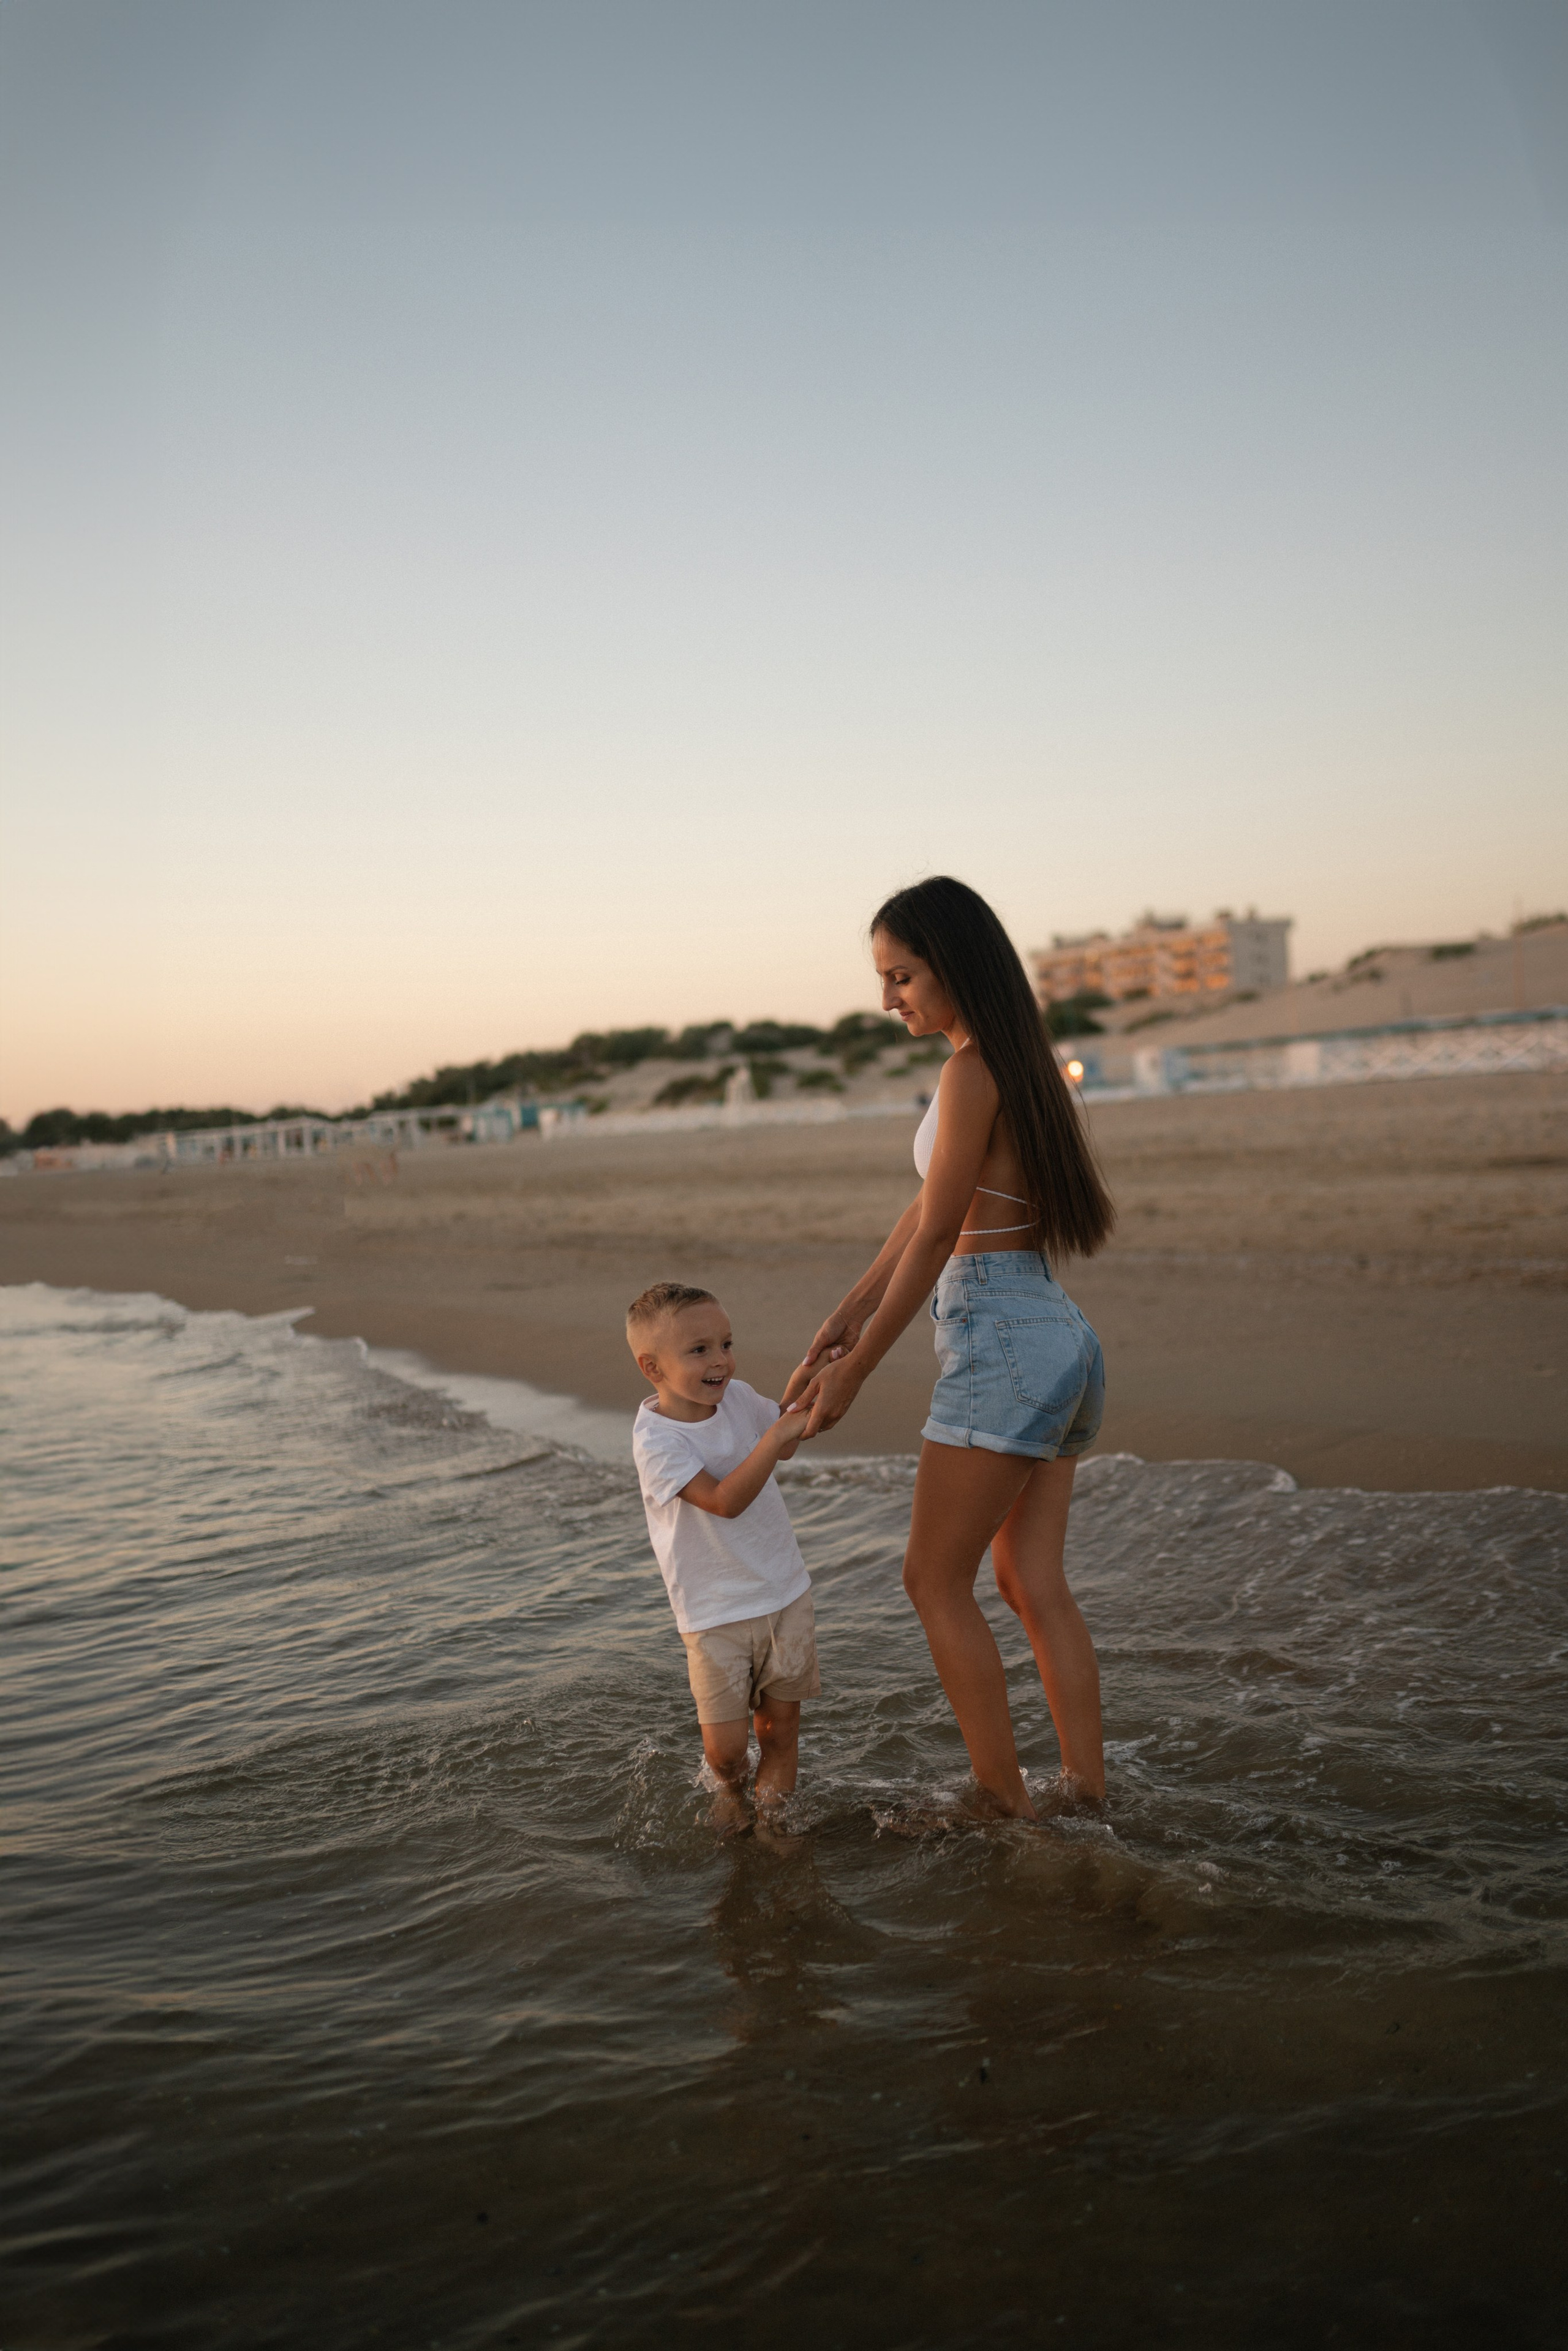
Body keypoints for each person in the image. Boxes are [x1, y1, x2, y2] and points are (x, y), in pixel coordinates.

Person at [789, 877, 1115, 1821]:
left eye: (901, 975)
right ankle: (1085, 1794)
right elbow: (932, 1208)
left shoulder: (970, 1071)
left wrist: (853, 1375)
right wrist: (847, 1313)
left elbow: (940, 1242)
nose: (888, 998)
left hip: (1004, 1332)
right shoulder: (1010, 1061)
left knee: (932, 1579)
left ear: (953, 964)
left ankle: (1000, 1802)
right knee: (1029, 1579)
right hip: (1059, 1334)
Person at [627, 1281, 818, 1832]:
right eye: (700, 1350)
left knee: (780, 1731)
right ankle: (732, 1795)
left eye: (726, 1344)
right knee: (728, 1751)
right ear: (652, 1368)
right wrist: (778, 1431)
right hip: (714, 1614)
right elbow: (724, 1501)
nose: (721, 1361)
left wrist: (802, 1390)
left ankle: (775, 1826)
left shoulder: (738, 1398)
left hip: (784, 1591)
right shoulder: (657, 1440)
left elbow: (784, 1439)